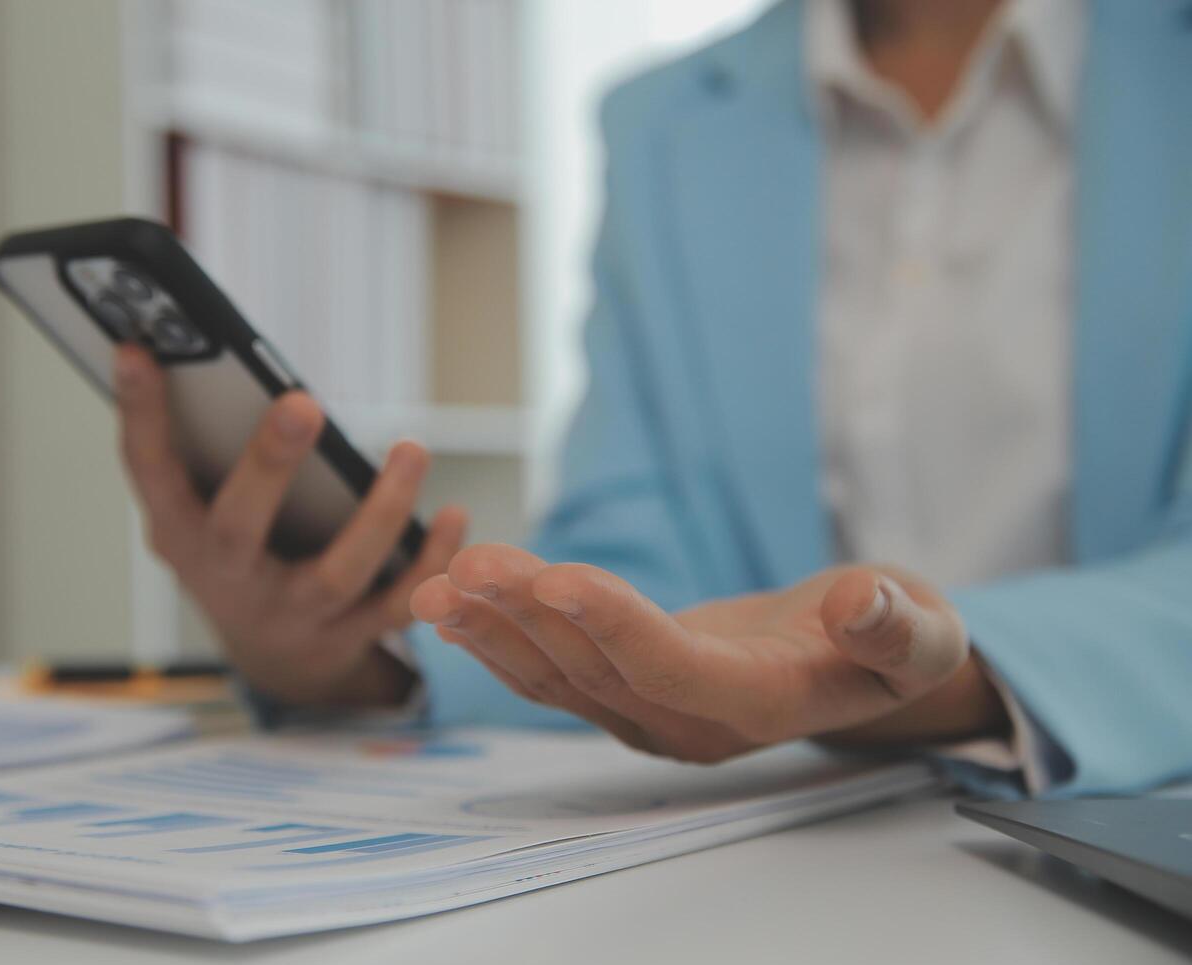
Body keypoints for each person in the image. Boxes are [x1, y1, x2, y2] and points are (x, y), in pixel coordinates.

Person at [112, 0, 1192, 799]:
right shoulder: (663, 125)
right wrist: (354, 658)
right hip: (784, 849)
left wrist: (949, 673)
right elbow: (639, 562)